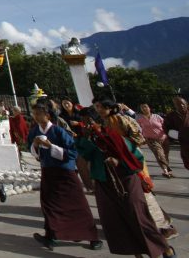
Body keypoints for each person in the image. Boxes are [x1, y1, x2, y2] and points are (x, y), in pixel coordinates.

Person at [76, 110, 175, 258]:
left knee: (139, 219)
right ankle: (137, 255)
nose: (88, 125)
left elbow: (137, 159)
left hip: (126, 181)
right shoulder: (88, 141)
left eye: (90, 121)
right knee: (117, 222)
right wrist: (84, 139)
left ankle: (165, 249)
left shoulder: (116, 137)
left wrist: (119, 162)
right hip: (105, 184)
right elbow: (83, 156)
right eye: (84, 122)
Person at [27, 101, 102, 250]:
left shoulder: (59, 131)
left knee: (77, 204)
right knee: (49, 204)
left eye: (38, 114)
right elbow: (32, 151)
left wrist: (51, 147)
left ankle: (92, 237)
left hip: (64, 171)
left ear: (47, 115)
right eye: (34, 114)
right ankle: (51, 235)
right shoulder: (35, 132)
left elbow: (72, 153)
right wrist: (35, 145)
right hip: (48, 170)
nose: (35, 117)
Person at [138, 103, 174, 178]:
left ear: (149, 108)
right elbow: (138, 128)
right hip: (151, 140)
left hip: (163, 139)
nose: (144, 109)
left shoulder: (157, 116)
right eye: (142, 108)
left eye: (145, 107)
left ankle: (166, 168)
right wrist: (141, 137)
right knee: (159, 154)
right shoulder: (140, 119)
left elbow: (165, 125)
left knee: (165, 155)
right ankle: (166, 171)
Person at [162, 96, 189, 172]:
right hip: (184, 143)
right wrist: (175, 135)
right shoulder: (171, 116)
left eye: (183, 104)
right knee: (187, 161)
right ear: (175, 106)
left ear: (186, 104)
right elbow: (166, 128)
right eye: (178, 104)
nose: (181, 106)